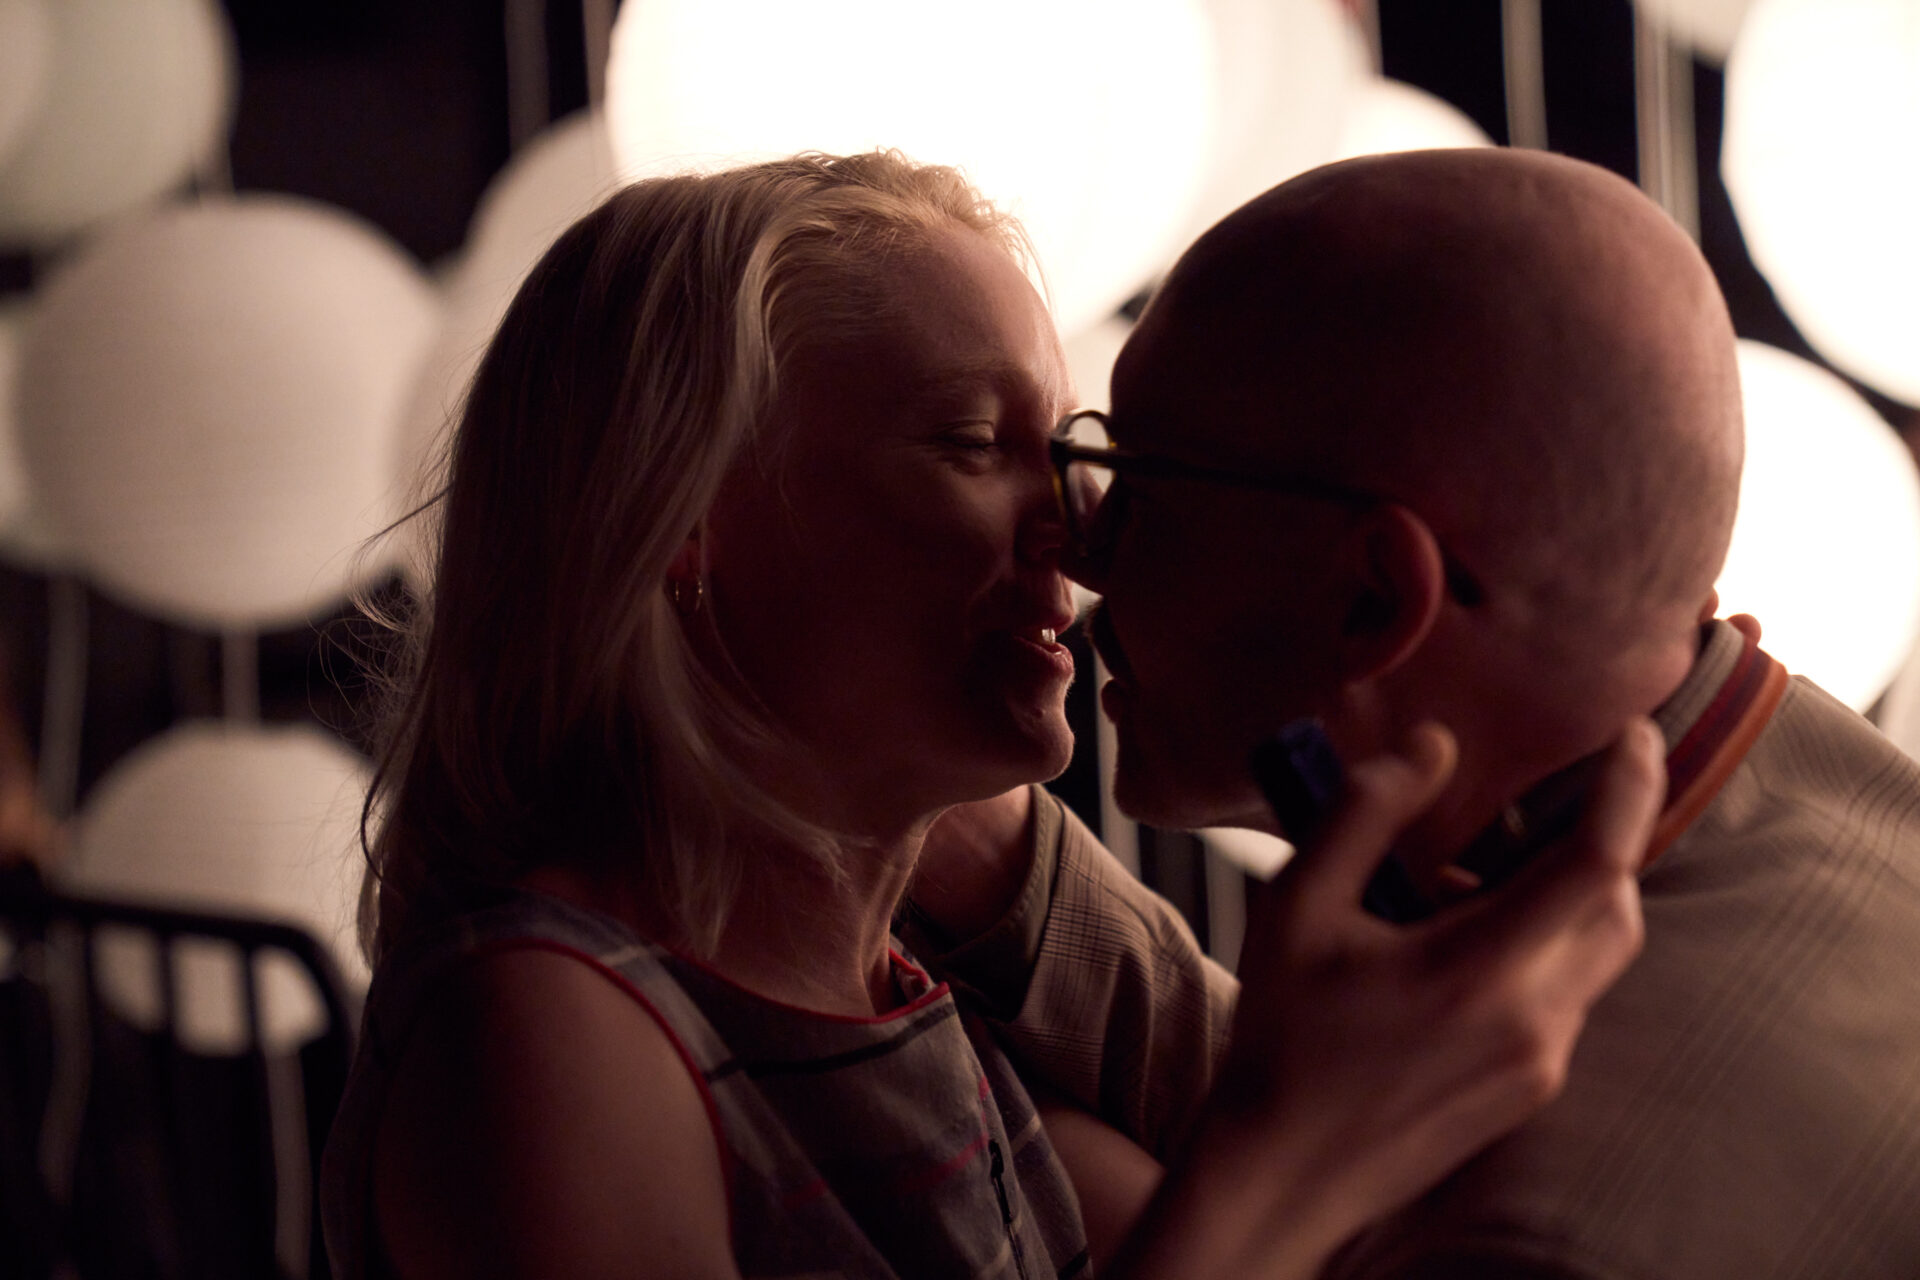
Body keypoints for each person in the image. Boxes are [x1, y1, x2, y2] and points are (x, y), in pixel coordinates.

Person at [318, 150, 1655, 1280]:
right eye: (972, 443)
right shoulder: (540, 1031)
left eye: (1062, 449)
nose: (1082, 532)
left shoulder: (936, 1028)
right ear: (680, 518)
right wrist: (1284, 1155)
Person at [1045, 146, 1920, 1276]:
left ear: (1376, 597)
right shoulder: (1859, 805)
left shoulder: (1532, 1242)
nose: (1080, 553)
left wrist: (1264, 1174)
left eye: (1141, 490)